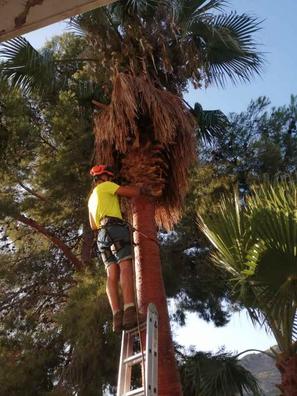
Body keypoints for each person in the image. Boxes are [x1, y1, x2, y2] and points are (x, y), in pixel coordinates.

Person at [88, 164, 140, 333]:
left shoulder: (90, 199)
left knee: (111, 275)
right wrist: (141, 188)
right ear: (103, 177)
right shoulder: (106, 186)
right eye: (108, 177)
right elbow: (132, 193)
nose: (110, 179)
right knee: (125, 266)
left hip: (101, 237)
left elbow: (92, 225)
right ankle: (130, 310)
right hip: (115, 229)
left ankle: (117, 316)